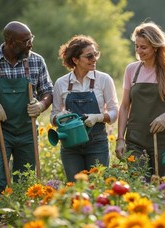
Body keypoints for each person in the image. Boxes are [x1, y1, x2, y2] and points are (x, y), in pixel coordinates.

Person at [0, 21, 53, 197]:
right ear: (10, 41)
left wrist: (41, 105)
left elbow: (48, 92)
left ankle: (21, 220)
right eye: (26, 41)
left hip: (27, 131)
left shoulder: (36, 61)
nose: (31, 44)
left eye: (31, 39)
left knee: (26, 181)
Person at [115, 22, 165, 178]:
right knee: (138, 183)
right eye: (137, 46)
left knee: (163, 185)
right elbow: (125, 106)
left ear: (155, 47)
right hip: (135, 139)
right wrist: (120, 139)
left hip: (163, 140)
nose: (139, 51)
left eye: (143, 47)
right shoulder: (131, 70)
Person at [50, 35, 118, 182]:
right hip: (70, 146)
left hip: (97, 143)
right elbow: (53, 118)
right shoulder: (61, 83)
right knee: (75, 189)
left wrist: (98, 117)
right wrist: (60, 116)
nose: (94, 59)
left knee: (97, 186)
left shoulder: (104, 80)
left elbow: (114, 113)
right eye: (89, 56)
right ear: (75, 60)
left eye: (95, 54)